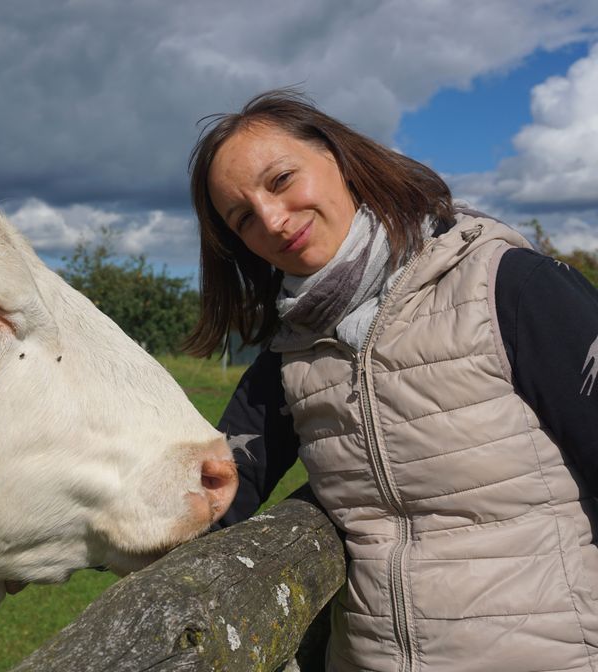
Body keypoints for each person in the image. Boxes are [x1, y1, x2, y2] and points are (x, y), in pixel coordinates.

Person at [186, 90, 598, 671]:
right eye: (244, 218)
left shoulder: (507, 286)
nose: (272, 220)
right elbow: (209, 494)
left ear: (340, 157)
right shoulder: (289, 356)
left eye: (280, 180)